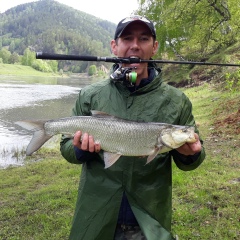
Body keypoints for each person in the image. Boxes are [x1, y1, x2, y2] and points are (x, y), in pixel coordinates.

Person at [60, 15, 205, 240]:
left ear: (154, 47)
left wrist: (191, 156)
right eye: (127, 38)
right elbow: (66, 148)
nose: (135, 45)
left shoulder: (177, 101)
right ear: (114, 46)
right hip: (97, 214)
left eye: (144, 38)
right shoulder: (91, 96)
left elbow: (193, 158)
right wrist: (80, 149)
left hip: (150, 217)